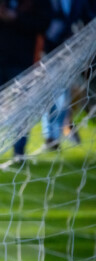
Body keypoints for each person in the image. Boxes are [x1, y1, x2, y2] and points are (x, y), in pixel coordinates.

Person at [0, 0, 52, 159]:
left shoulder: (37, 3)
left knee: (22, 109)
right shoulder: (2, 1)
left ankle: (19, 152)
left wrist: (16, 18)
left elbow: (43, 24)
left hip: (22, 64)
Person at [41, 0, 95, 149]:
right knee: (50, 94)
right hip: (49, 50)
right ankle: (49, 134)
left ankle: (56, 135)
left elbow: (87, 17)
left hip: (70, 51)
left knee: (64, 96)